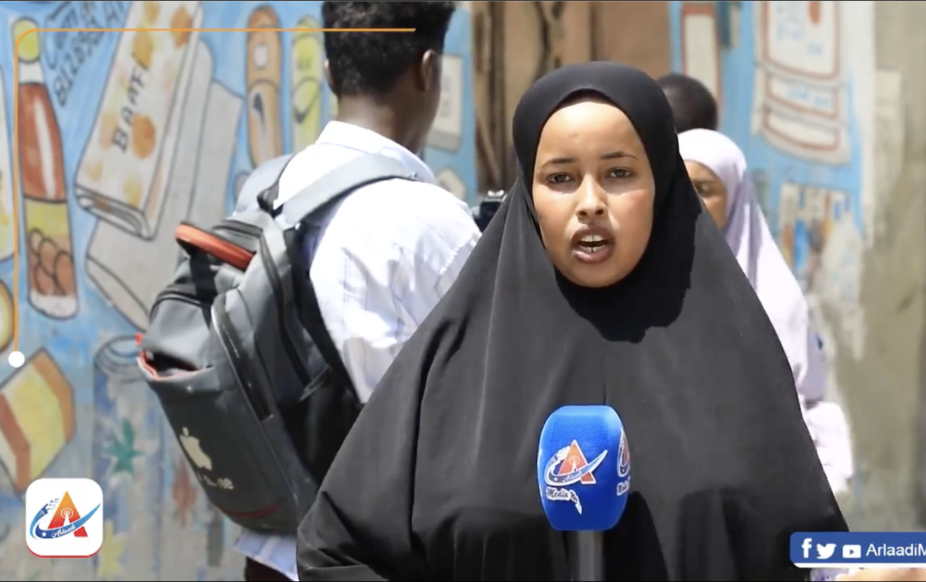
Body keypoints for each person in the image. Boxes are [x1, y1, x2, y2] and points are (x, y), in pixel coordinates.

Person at [296, 61, 847, 580]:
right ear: (529, 196)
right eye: (561, 178)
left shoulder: (735, 357)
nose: (590, 203)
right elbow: (336, 548)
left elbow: (810, 552)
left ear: (661, 185)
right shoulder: (455, 363)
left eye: (619, 173)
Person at [233, 2, 480, 581]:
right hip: (379, 556)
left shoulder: (267, 188)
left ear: (326, 72)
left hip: (270, 554)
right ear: (428, 70)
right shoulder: (435, 223)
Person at [677, 128, 855, 495]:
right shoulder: (645, 286)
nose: (686, 201)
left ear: (735, 199)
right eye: (676, 186)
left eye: (704, 189)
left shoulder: (772, 296)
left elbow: (802, 400)